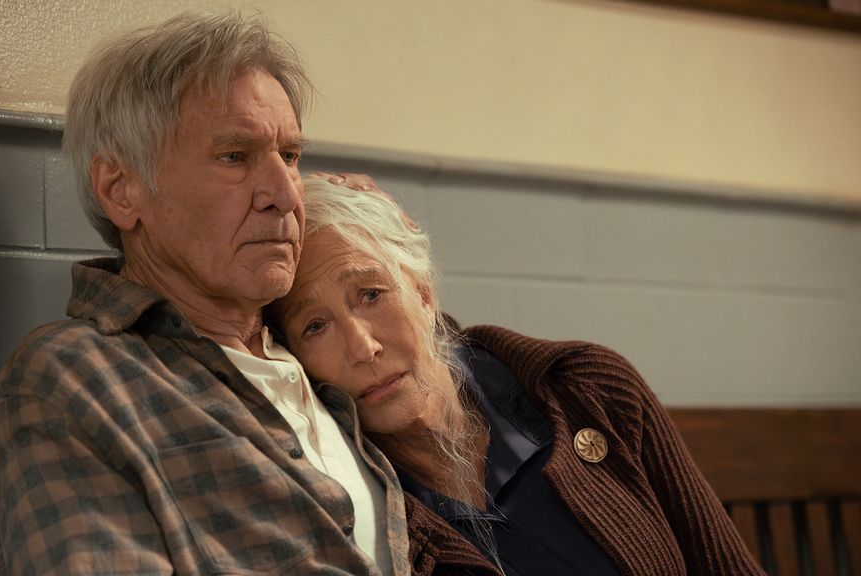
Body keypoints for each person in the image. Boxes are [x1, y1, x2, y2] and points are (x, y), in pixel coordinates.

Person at [0, 12, 496, 575]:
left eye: (290, 157)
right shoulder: (76, 378)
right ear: (120, 191)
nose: (281, 193)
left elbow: (428, 349)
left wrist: (379, 241)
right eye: (234, 157)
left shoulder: (310, 348)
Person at [269, 175, 767, 575]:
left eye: (372, 294)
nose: (362, 347)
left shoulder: (588, 390)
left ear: (423, 293)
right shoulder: (350, 500)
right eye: (315, 326)